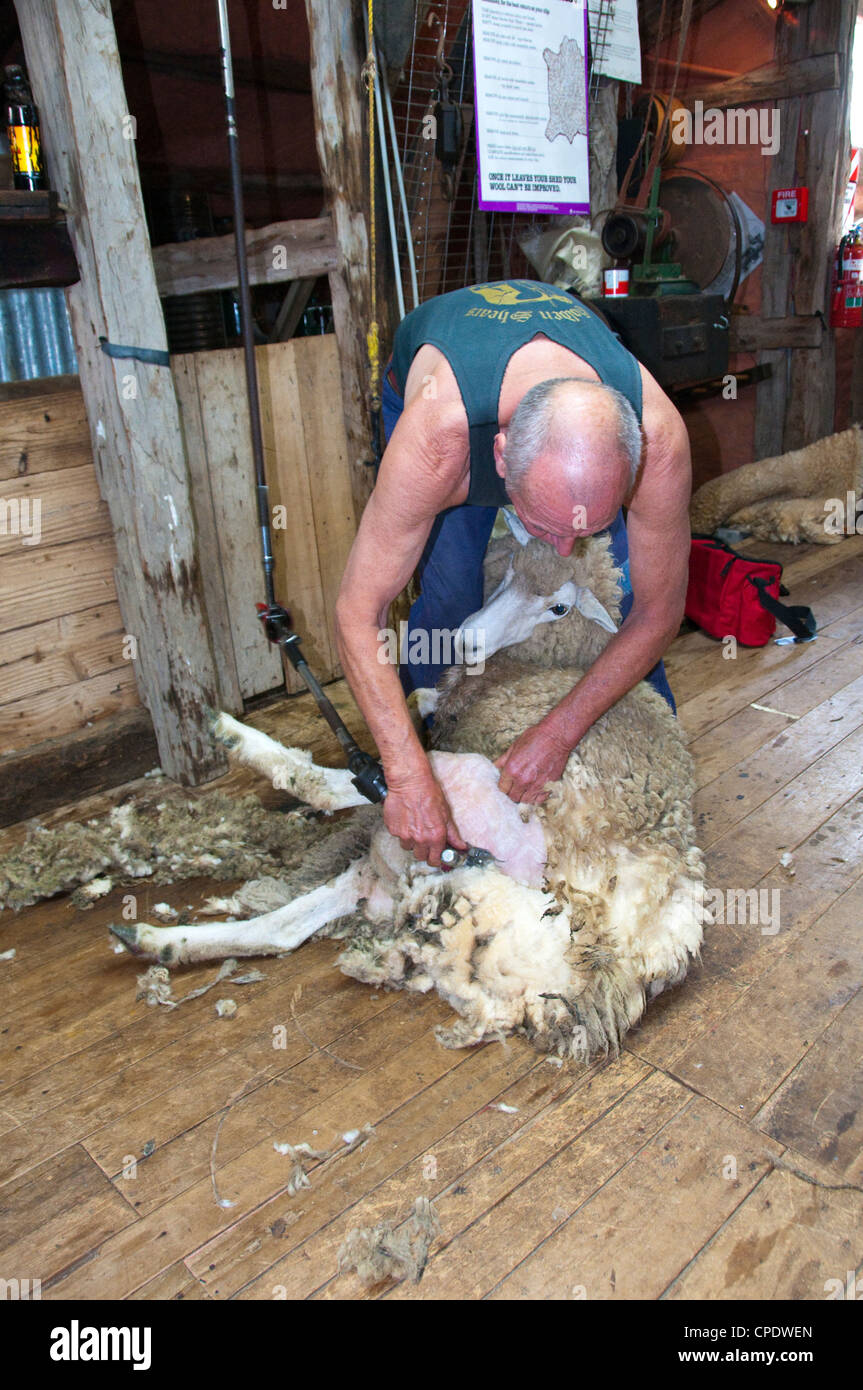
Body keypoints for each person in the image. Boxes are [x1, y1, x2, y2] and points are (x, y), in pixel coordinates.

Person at [335, 279, 691, 867]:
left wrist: (557, 733)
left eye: (589, 525)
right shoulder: (438, 444)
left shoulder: (660, 445)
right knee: (449, 598)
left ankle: (648, 777)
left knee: (626, 598)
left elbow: (661, 612)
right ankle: (435, 769)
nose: (566, 549)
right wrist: (404, 775)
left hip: (548, 400)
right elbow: (356, 611)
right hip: (445, 392)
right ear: (500, 458)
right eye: (547, 523)